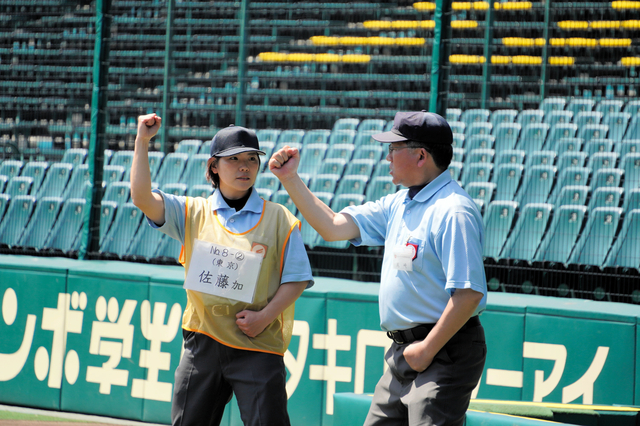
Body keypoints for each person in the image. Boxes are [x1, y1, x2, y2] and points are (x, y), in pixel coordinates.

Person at [269, 111, 487, 426]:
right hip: (403, 352)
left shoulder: (453, 210)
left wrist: (427, 349)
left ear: (421, 155)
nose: (387, 157)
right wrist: (290, 179)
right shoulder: (398, 203)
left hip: (444, 350)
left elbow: (468, 294)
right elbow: (332, 227)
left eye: (394, 148)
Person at [131, 113, 313, 426]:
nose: (245, 167)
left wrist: (263, 318)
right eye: (234, 159)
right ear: (214, 166)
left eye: (252, 159)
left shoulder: (280, 218)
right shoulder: (193, 211)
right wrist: (143, 141)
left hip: (257, 344)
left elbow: (296, 280)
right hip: (203, 342)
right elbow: (142, 197)